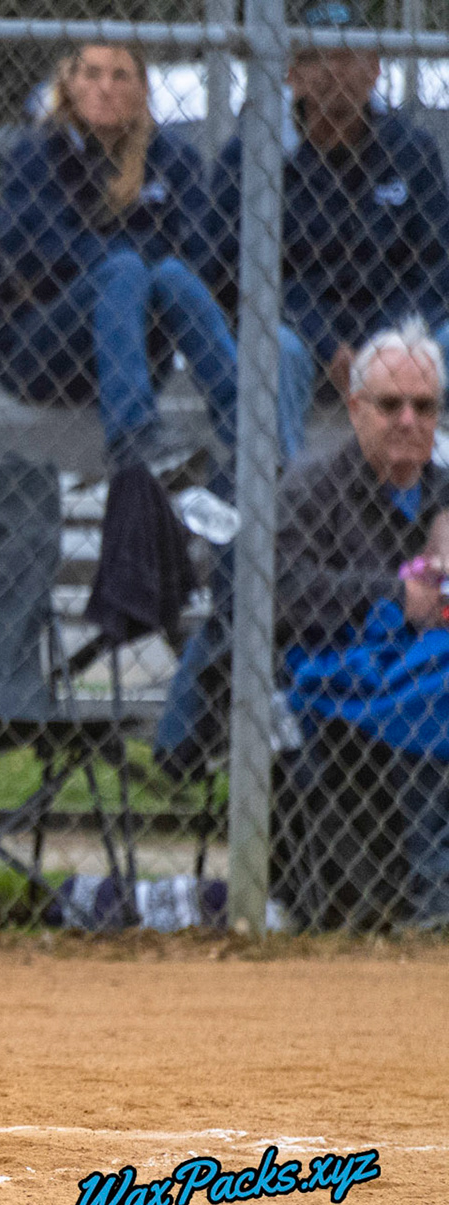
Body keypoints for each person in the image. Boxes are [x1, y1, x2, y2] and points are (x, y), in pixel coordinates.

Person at [0, 43, 303, 496]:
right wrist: (131, 257)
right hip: (43, 348)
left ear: (142, 89)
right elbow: (31, 250)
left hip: (140, 350)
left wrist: (128, 259)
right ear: (69, 85)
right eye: (91, 74)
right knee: (128, 270)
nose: (105, 88)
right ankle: (134, 437)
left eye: (120, 76)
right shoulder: (37, 155)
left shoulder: (173, 157)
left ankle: (252, 433)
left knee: (170, 275)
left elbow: (200, 253)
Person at [276, 320, 449, 929]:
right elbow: (280, 592)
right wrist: (394, 596)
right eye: (390, 404)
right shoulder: (312, 487)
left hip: (419, 665)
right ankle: (436, 889)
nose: (408, 420)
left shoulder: (443, 492)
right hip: (337, 666)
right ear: (354, 408)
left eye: (424, 407)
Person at [211, 1, 449, 426]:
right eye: (316, 57)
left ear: (375, 68)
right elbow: (236, 273)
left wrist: (386, 344)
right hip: (302, 334)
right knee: (275, 345)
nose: (334, 70)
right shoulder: (255, 153)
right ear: (291, 74)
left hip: (397, 333)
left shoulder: (412, 151)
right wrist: (325, 343)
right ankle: (278, 469)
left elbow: (435, 270)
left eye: (348, 55)